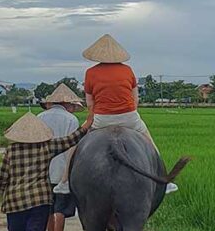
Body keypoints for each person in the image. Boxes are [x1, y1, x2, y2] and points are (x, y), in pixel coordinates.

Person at [54, 33, 177, 194]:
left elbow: (90, 103)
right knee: (151, 145)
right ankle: (164, 181)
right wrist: (127, 113)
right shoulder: (128, 70)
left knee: (75, 146)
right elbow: (135, 100)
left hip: (102, 119)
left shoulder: (90, 73)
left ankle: (64, 181)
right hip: (129, 117)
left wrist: (94, 119)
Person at [36, 83, 83, 231]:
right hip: (64, 171)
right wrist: (66, 175)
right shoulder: (71, 120)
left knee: (48, 210)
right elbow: (73, 147)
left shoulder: (40, 117)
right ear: (67, 104)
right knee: (60, 211)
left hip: (42, 171)